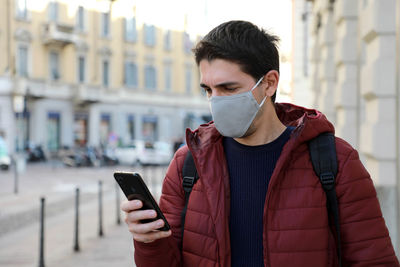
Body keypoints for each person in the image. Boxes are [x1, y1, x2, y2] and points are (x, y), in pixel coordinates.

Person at [121, 20, 399, 266]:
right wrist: (149, 241)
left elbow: (374, 259)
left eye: (229, 88)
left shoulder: (335, 160)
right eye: (209, 90)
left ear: (269, 83)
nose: (216, 101)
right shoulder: (188, 164)